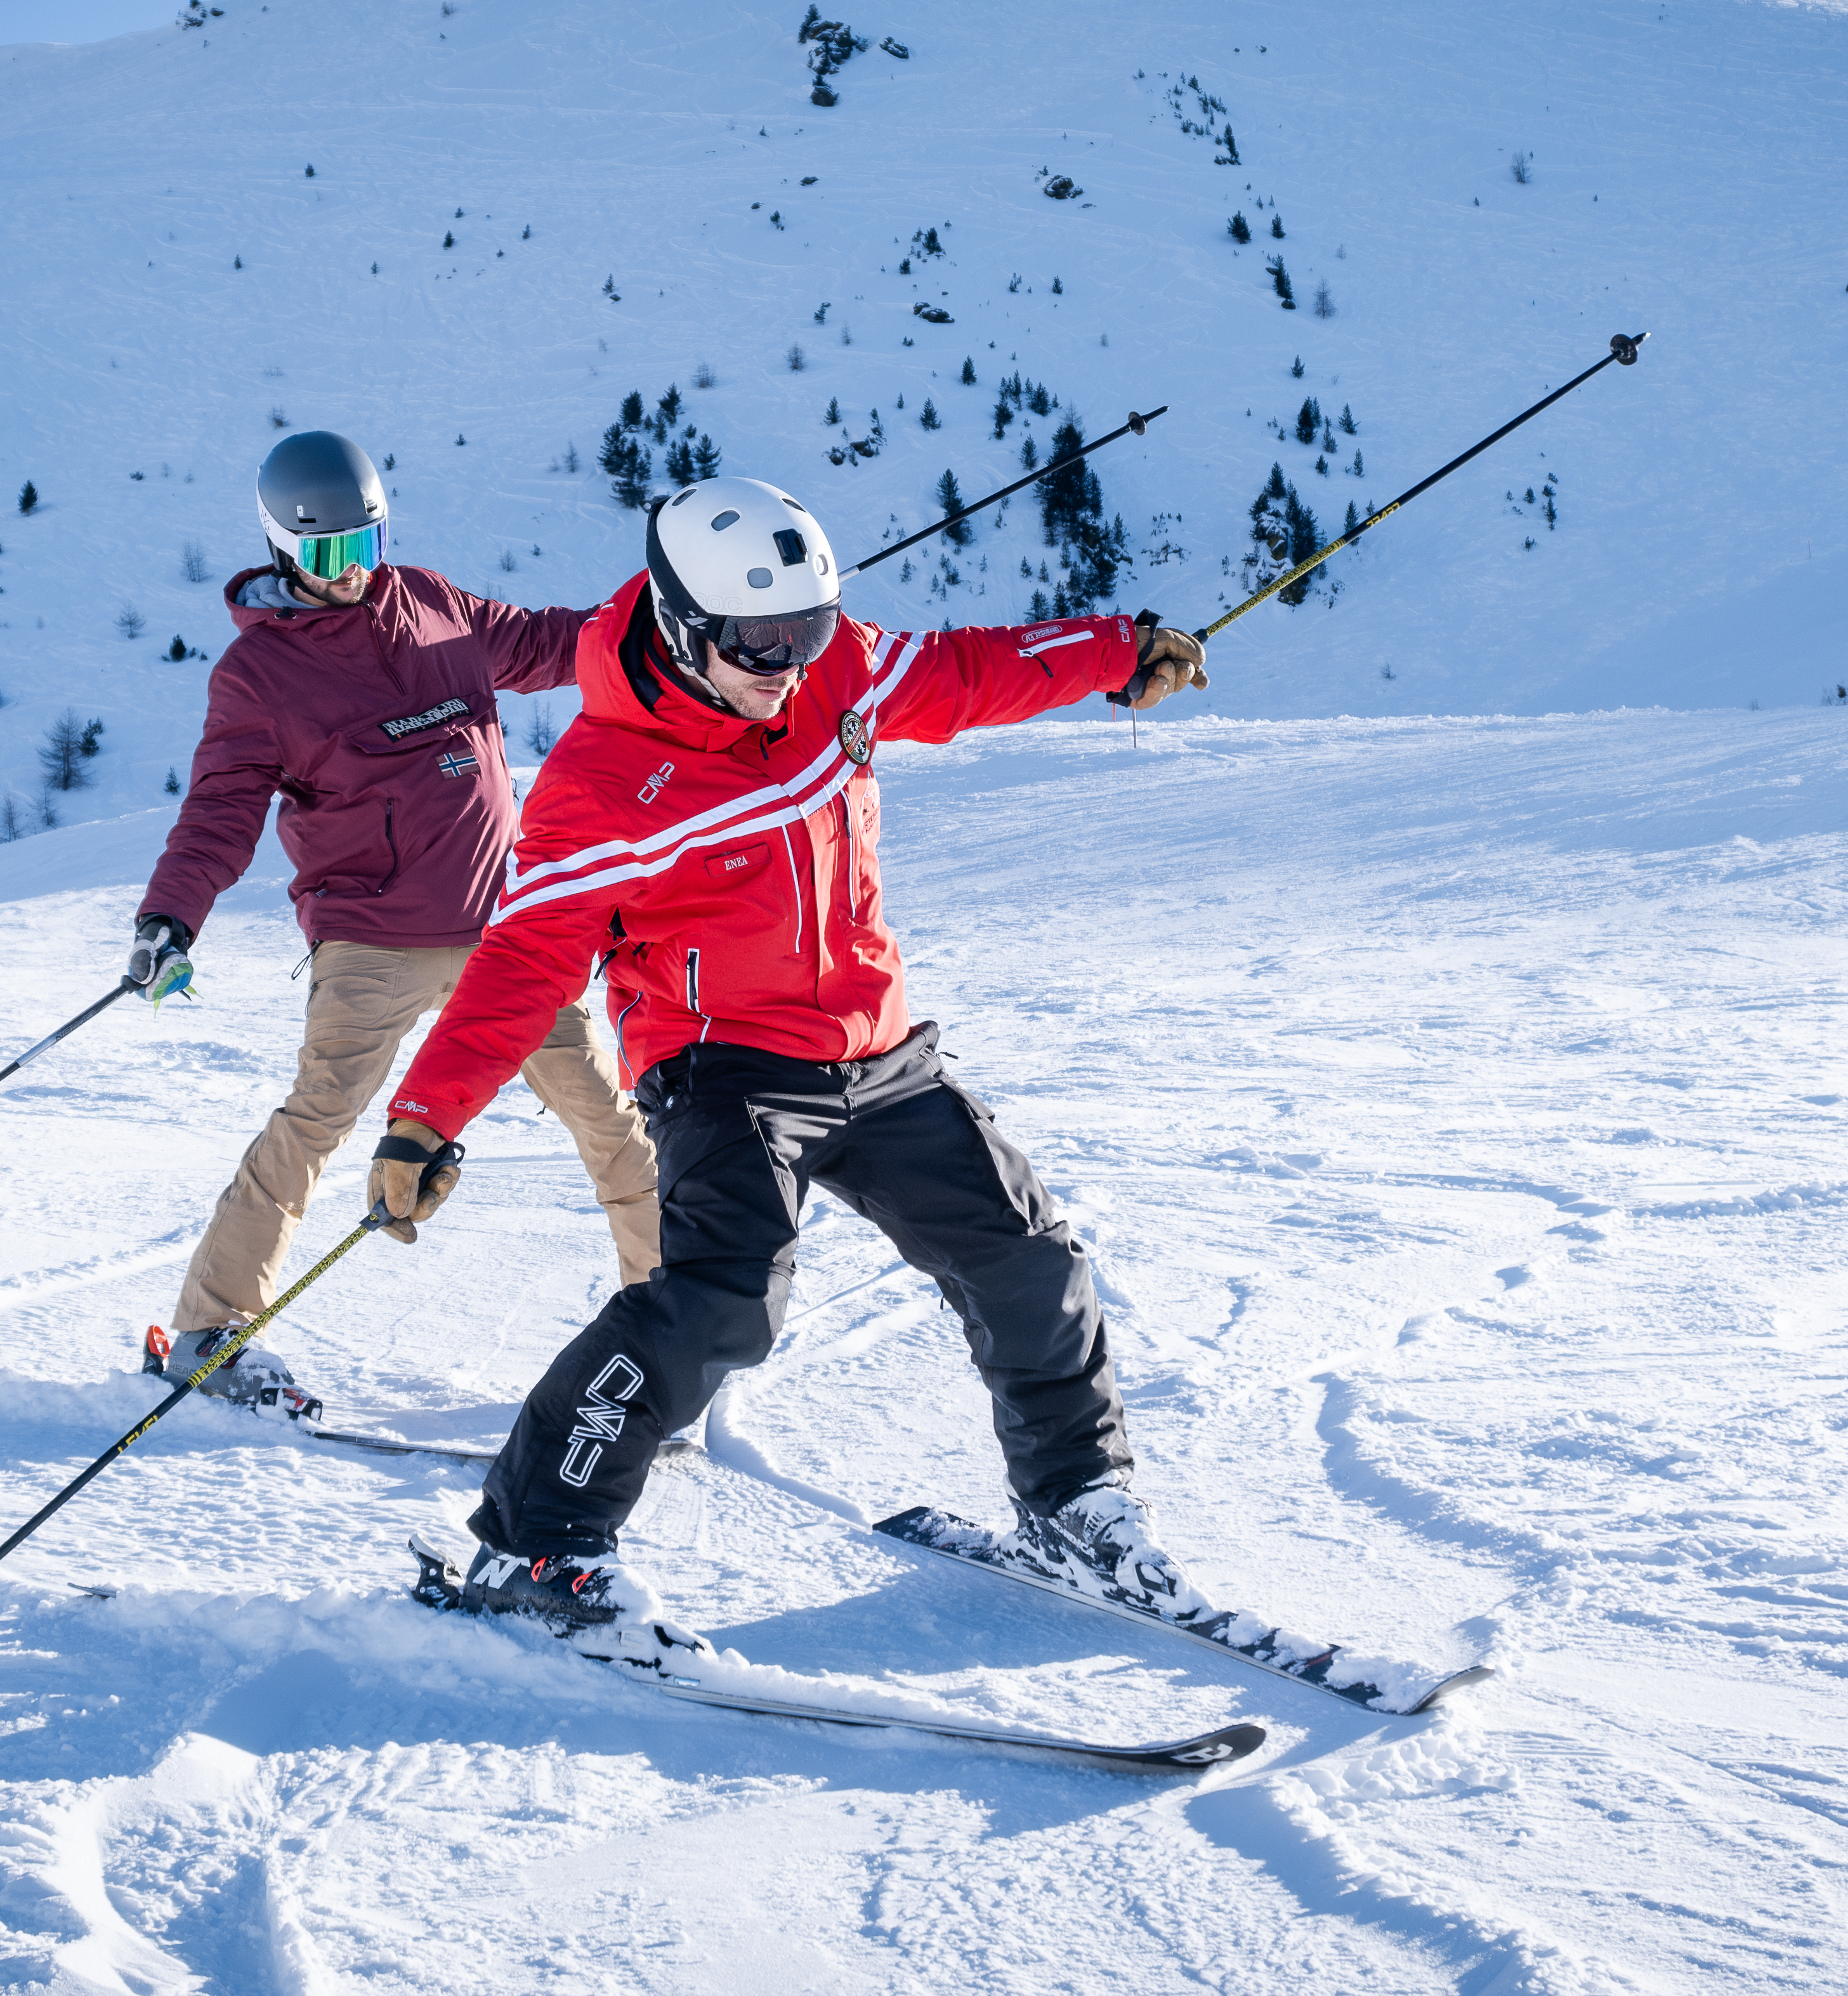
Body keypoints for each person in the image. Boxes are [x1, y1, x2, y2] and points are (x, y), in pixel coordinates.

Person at [362, 474, 1212, 1640]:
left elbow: (967, 672)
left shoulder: (836, 671)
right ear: (679, 623)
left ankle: (1074, 1501)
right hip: (724, 1065)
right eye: (757, 641)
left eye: (806, 629)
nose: (787, 664)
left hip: (876, 1046)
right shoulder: (603, 785)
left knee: (1026, 1256)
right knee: (723, 1302)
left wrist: (1115, 652)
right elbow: (523, 960)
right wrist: (426, 1116)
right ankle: (535, 1542)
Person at [128, 430, 660, 1419]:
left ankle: (667, 1331)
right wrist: (171, 914)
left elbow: (558, 643)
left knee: (611, 1118)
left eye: (366, 546)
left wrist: (661, 627)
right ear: (282, 545)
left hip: (510, 936)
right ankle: (209, 1328)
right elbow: (220, 811)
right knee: (318, 1120)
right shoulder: (259, 676)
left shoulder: (432, 604)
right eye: (329, 554)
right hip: (372, 939)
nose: (352, 572)